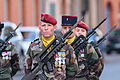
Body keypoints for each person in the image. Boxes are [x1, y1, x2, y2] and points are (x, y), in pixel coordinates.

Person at [24, 13, 78, 80]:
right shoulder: (33, 46)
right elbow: (27, 68)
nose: (46, 28)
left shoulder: (65, 46)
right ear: (39, 27)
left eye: (49, 25)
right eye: (43, 25)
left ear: (54, 28)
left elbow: (73, 69)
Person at [61, 15, 103, 80]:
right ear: (61, 30)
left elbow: (96, 66)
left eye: (70, 28)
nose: (67, 31)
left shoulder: (86, 46)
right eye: (64, 28)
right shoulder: (58, 46)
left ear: (75, 29)